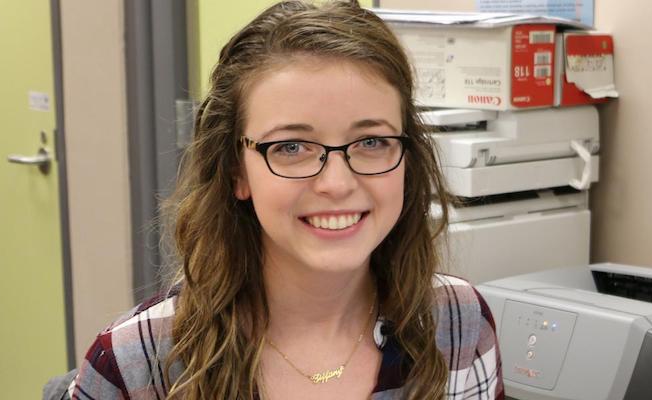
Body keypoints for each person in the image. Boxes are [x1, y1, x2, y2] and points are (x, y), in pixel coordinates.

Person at [67, 1, 501, 399]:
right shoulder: (136, 364)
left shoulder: (456, 321)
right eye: (291, 147)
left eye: (371, 140)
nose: (337, 183)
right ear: (237, 171)